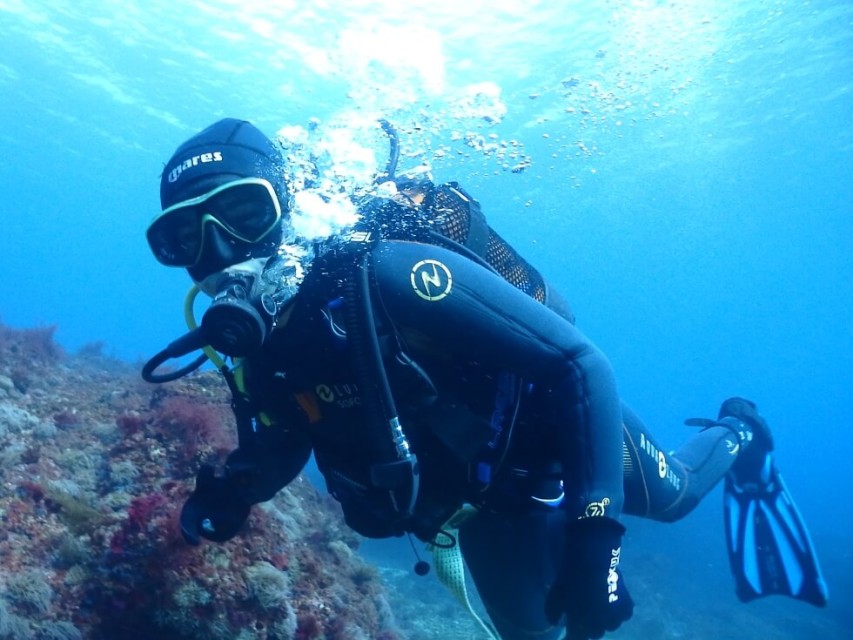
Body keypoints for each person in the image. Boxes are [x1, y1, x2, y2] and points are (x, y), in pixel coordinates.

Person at [143, 118, 828, 640]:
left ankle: (740, 431)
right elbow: (290, 428)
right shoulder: (261, 343)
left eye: (242, 215)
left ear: (288, 205)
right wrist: (237, 491)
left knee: (674, 496)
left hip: (554, 438)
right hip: (472, 510)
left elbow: (578, 363)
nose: (221, 254)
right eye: (185, 239)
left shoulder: (389, 273)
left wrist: (596, 538)